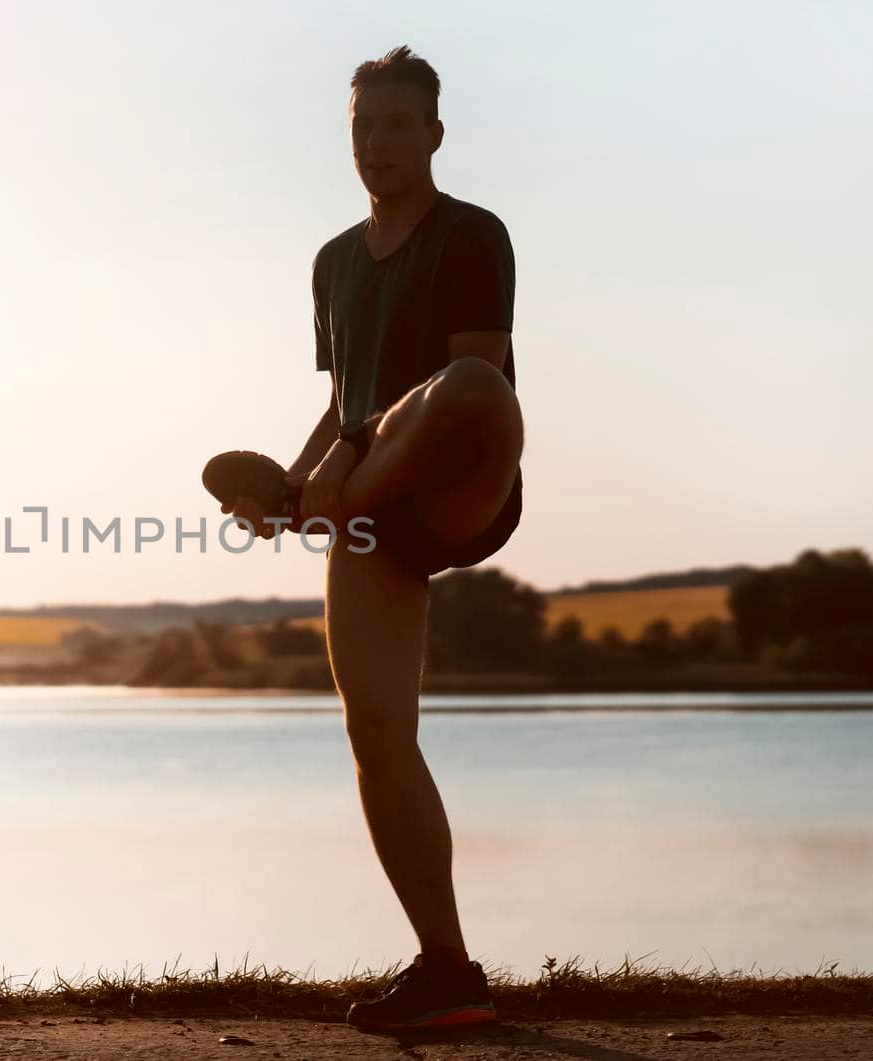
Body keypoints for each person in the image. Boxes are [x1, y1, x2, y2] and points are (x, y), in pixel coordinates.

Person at [219, 45, 524, 1031]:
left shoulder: (471, 235)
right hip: (364, 504)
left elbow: (474, 388)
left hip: (459, 481)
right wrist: (309, 473)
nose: (378, 141)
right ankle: (447, 971)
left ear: (433, 134)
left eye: (396, 123)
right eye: (362, 125)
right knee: (375, 731)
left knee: (469, 386)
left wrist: (331, 478)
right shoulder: (334, 262)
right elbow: (340, 399)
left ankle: (316, 503)